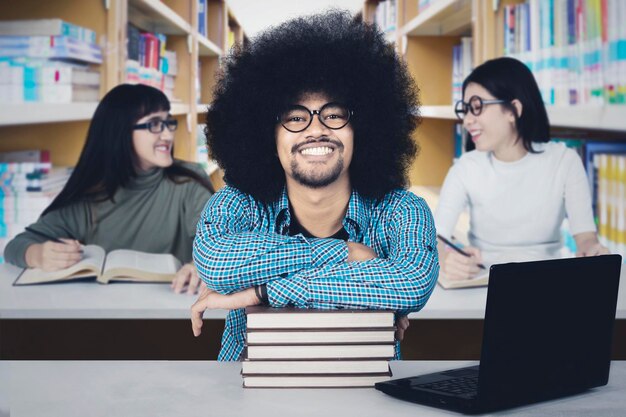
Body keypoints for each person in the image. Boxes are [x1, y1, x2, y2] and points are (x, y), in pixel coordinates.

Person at [189, 10, 440, 361]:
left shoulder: (401, 210)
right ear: (266, 135)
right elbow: (216, 264)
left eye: (334, 114)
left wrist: (261, 291)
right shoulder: (238, 204)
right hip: (246, 396)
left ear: (363, 129)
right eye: (295, 117)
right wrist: (345, 254)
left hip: (366, 397)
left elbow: (410, 283)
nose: (316, 129)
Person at [4, 84, 214, 294]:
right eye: (154, 124)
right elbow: (15, 246)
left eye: (168, 123)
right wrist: (38, 254)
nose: (168, 135)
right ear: (120, 131)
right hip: (104, 318)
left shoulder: (189, 181)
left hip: (176, 311)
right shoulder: (91, 197)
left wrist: (201, 266)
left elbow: (218, 242)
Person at [436, 56, 609, 281]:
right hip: (483, 285)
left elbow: (586, 239)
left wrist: (594, 251)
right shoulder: (465, 169)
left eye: (477, 107)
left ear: (513, 110)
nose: (467, 120)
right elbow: (435, 240)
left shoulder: (564, 161)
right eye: (466, 109)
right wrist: (446, 259)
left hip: (550, 283)